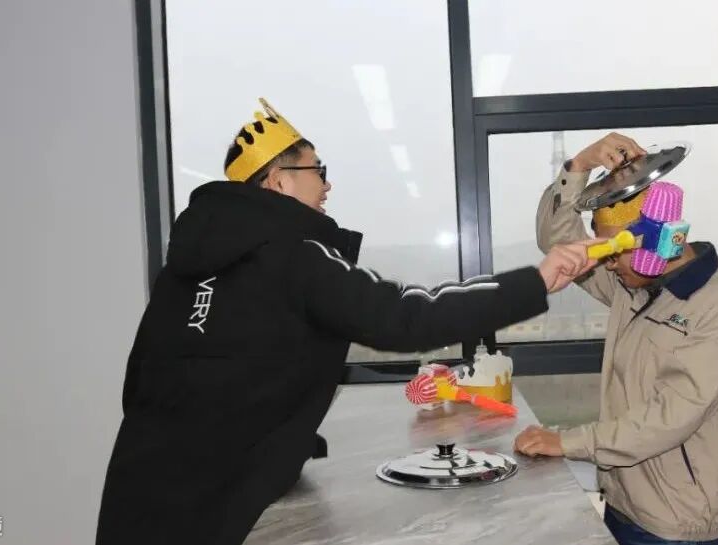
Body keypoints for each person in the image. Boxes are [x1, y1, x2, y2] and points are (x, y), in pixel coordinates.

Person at [95, 98, 603, 545]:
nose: (327, 183)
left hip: (139, 487)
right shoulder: (293, 252)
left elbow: (144, 377)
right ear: (279, 181)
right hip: (221, 503)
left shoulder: (186, 266)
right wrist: (535, 281)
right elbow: (408, 317)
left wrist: (281, 437)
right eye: (317, 169)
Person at [513, 133, 718, 545]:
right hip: (622, 502)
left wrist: (567, 442)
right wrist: (580, 165)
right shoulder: (630, 286)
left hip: (675, 525)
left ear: (660, 238)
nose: (607, 264)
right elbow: (560, 245)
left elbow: (670, 418)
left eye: (615, 251)